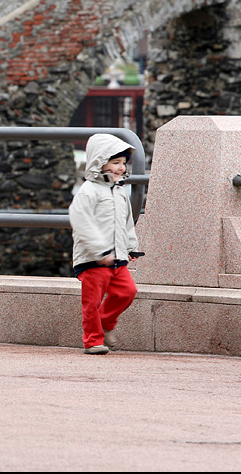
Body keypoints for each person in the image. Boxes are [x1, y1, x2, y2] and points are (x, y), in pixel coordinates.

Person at [68, 133, 140, 355]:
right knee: (92, 301)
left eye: (123, 163)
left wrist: (130, 247)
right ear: (100, 162)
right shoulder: (89, 190)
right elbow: (81, 221)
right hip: (93, 260)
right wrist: (100, 251)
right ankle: (93, 340)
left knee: (127, 292)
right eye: (115, 162)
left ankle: (105, 322)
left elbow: (127, 223)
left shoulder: (120, 192)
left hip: (117, 258)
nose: (120, 168)